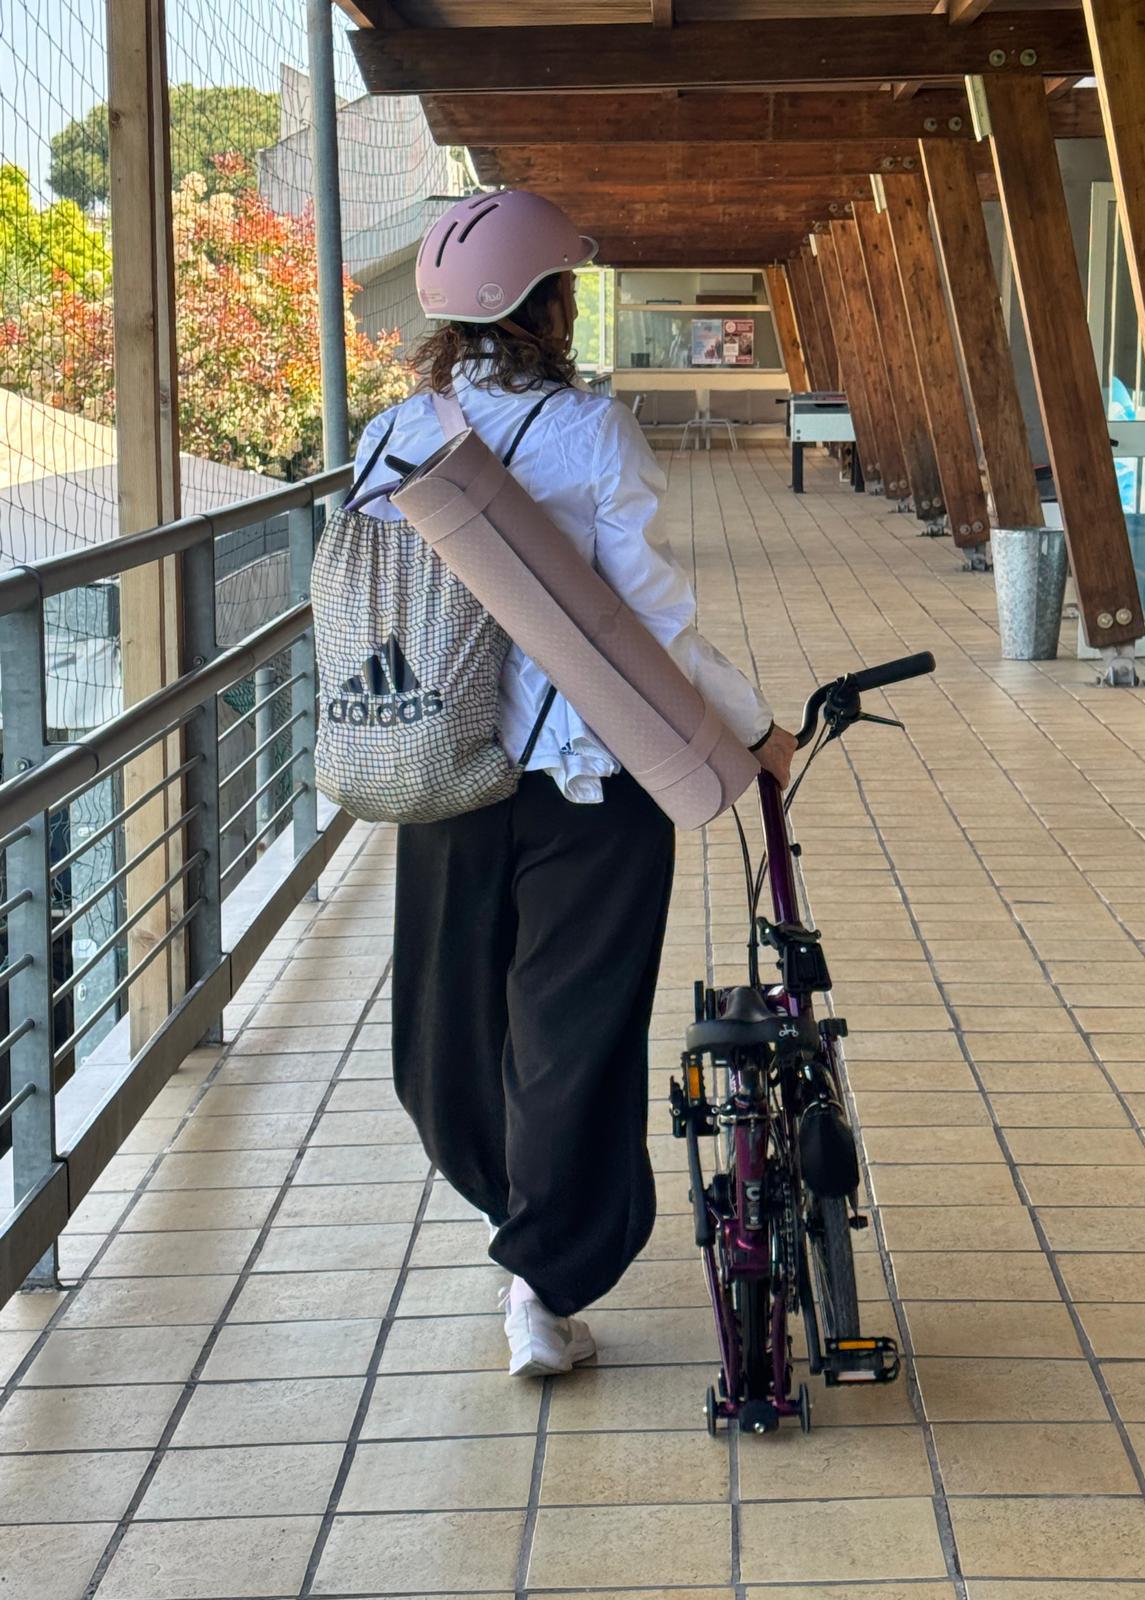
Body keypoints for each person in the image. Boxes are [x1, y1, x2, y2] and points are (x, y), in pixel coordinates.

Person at [353, 189, 796, 1377]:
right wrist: (754, 728)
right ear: (547, 304)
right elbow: (652, 624)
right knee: (571, 1034)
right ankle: (541, 1280)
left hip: (443, 774)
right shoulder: (595, 431)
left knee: (446, 1035)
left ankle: (525, 1238)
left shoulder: (390, 434)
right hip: (591, 782)